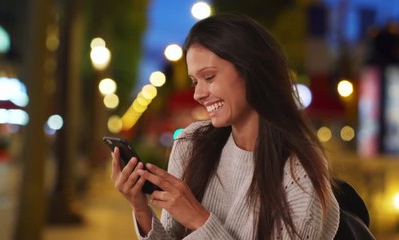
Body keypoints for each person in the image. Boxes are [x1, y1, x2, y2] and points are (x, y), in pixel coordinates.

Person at [111, 13, 340, 239]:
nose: (199, 94)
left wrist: (199, 221)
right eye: (194, 82)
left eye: (209, 77)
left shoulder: (299, 170)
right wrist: (141, 210)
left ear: (251, 71)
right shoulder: (191, 144)